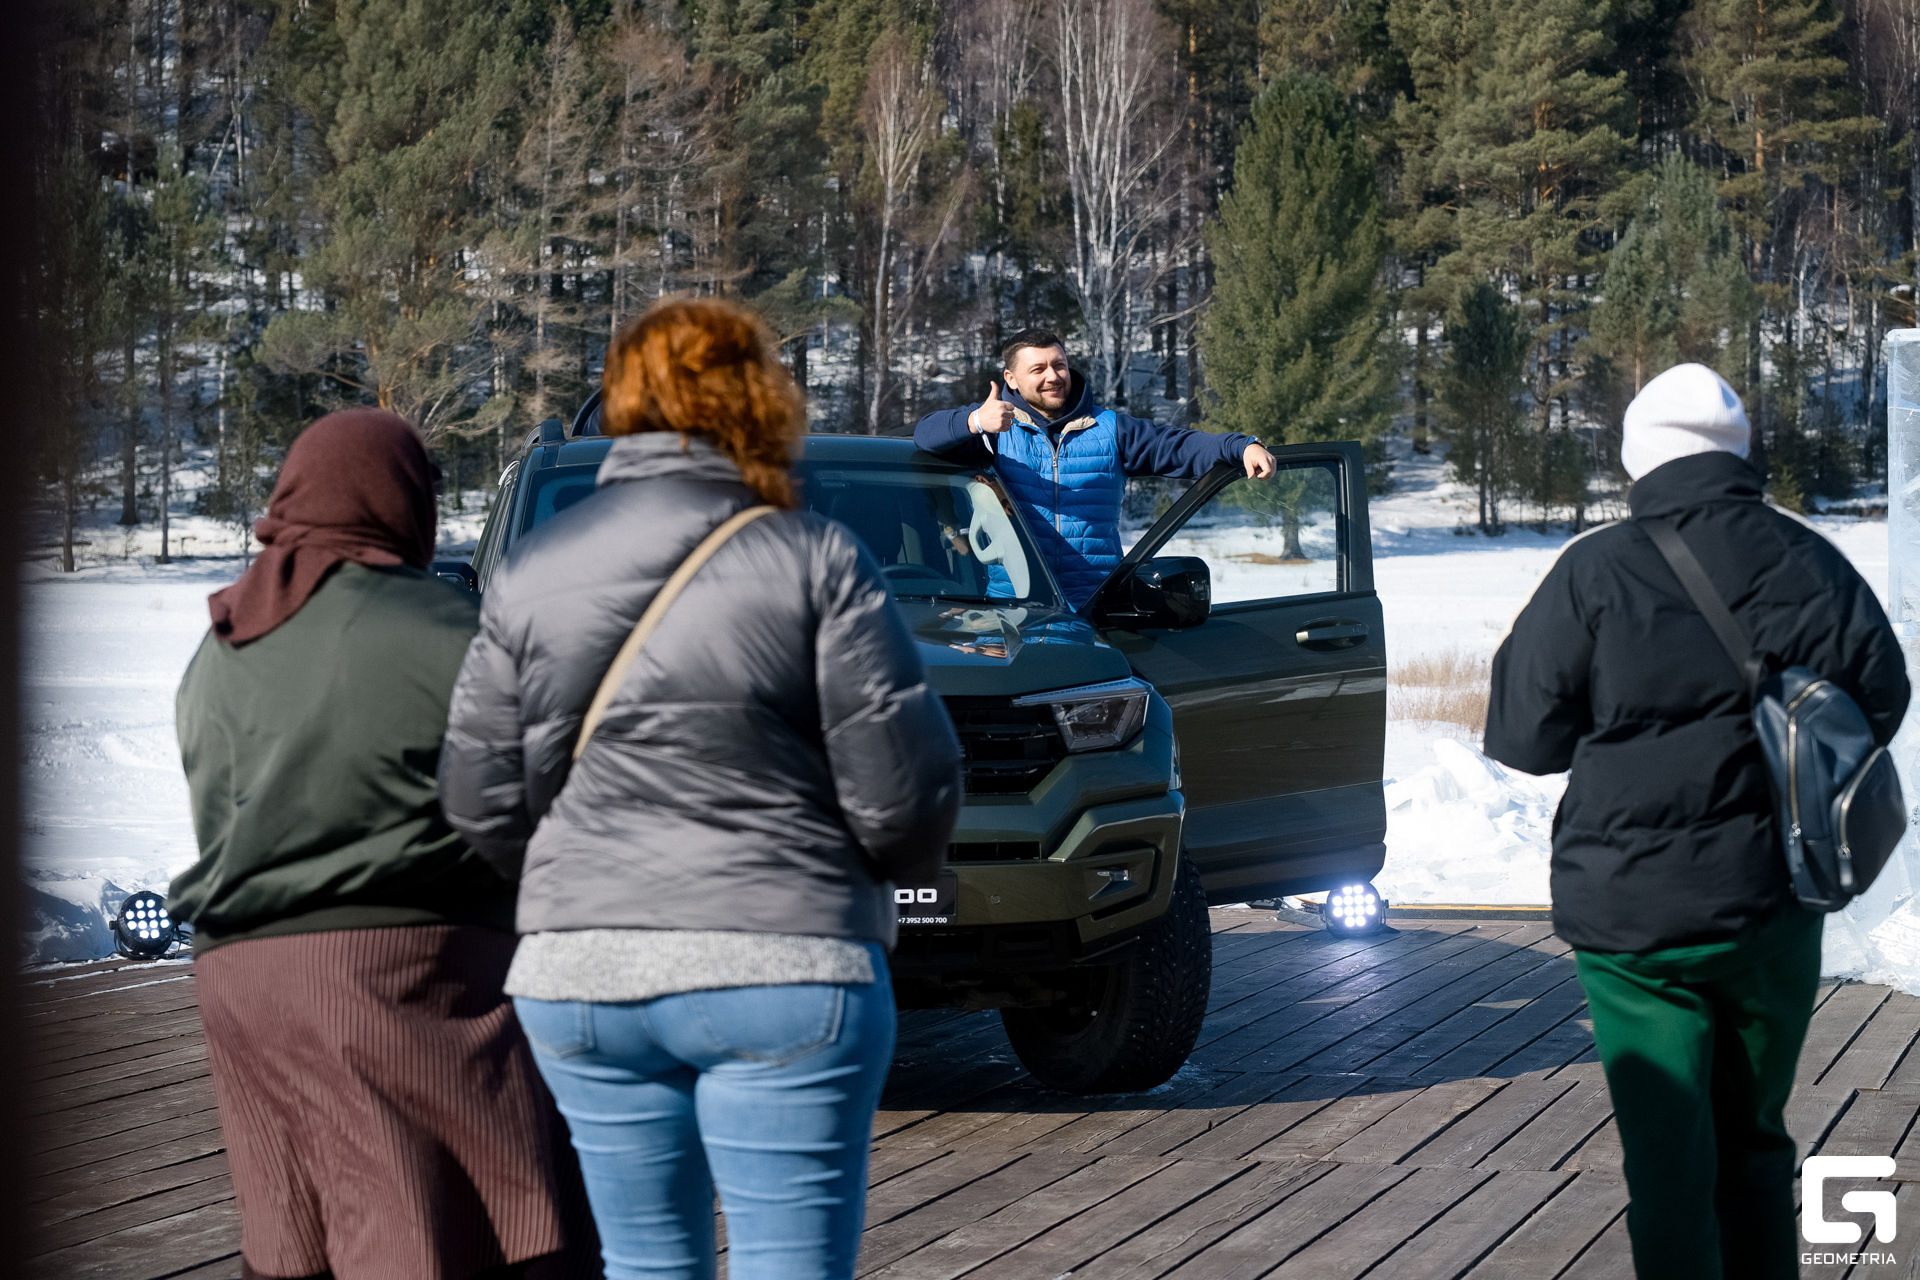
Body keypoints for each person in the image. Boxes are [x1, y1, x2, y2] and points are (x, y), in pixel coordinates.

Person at [438, 296, 964, 1280]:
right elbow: (906, 790)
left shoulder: (532, 570)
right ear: (758, 400)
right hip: (785, 961)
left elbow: (476, 796)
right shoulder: (814, 555)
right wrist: (876, 875)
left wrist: (574, 878)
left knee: (644, 1265)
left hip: (583, 976)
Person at [1484, 363, 1910, 1280]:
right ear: (1738, 453)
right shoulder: (1811, 561)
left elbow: (1524, 737)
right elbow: (1882, 700)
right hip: (1772, 904)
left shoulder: (1593, 570)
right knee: (1755, 1143)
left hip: (1633, 927)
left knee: (1668, 1165)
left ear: (1639, 458)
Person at [169, 409, 598, 1280]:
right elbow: (544, 802)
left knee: (300, 1234)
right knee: (498, 1217)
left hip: (235, 983)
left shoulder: (221, 644)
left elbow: (219, 814)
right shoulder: (443, 629)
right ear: (399, 501)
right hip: (402, 971)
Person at [912, 328, 1278, 608]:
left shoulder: (1110, 429)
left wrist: (1241, 446)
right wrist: (975, 421)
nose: (1053, 376)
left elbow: (1179, 446)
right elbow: (924, 436)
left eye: (1059, 365)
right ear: (1011, 379)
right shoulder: (992, 430)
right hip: (1014, 607)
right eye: (1038, 369)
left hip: (1097, 606)